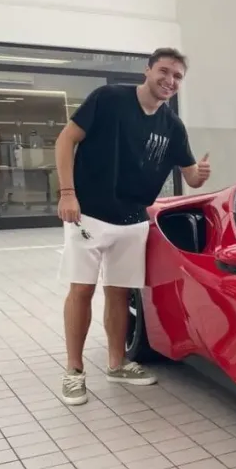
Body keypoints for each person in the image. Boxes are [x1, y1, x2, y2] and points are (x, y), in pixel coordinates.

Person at [54, 47, 211, 406]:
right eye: (164, 71)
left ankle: (117, 363)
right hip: (88, 215)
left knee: (120, 293)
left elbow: (190, 176)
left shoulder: (172, 126)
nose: (170, 81)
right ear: (148, 70)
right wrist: (67, 194)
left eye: (177, 76)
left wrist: (200, 174)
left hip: (134, 220)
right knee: (81, 290)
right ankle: (74, 371)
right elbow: (66, 139)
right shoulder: (108, 99)